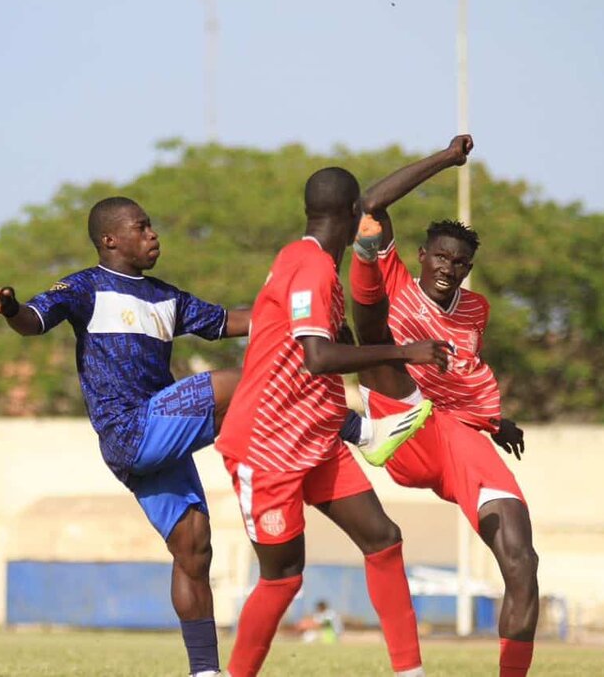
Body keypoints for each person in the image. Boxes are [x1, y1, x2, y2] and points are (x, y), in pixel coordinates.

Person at [0, 196, 251, 677]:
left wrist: (292, 311)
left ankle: (205, 672)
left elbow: (230, 321)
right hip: (130, 430)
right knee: (243, 383)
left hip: (162, 434)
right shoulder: (84, 287)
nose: (152, 235)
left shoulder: (167, 297)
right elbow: (33, 322)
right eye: (142, 228)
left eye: (151, 226)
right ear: (110, 240)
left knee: (194, 548)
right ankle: (349, 427)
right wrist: (11, 306)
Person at [215, 155, 457, 677]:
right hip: (267, 446)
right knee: (282, 577)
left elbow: (304, 339)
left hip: (315, 439)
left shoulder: (303, 260)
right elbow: (316, 357)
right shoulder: (310, 266)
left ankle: (410, 672)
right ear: (351, 212)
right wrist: (403, 353)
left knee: (383, 539)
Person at [346, 134, 539, 677]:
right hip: (402, 425)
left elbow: (461, 378)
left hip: (457, 438)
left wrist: (494, 421)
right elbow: (371, 204)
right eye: (441, 257)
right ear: (423, 256)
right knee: (371, 331)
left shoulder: (476, 310)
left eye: (460, 262)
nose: (449, 268)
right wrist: (447, 159)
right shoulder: (397, 280)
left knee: (522, 563)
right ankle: (357, 426)